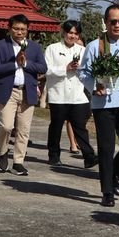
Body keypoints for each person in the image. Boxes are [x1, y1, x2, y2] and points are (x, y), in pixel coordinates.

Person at [78, 4, 119, 207]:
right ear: (106, 22)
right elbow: (83, 72)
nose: (117, 25)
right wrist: (93, 86)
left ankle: (114, 174)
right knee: (106, 148)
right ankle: (107, 191)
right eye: (113, 21)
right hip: (104, 103)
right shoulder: (94, 46)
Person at [0, 14, 48, 175]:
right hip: (8, 90)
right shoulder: (1, 46)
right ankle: (2, 153)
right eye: (16, 28)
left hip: (27, 91)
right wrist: (15, 63)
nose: (19, 32)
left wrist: (26, 64)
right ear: (9, 29)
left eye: (23, 29)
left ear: (27, 30)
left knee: (23, 129)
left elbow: (43, 68)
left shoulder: (34, 47)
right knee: (6, 125)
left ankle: (18, 161)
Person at [44, 20, 97, 169]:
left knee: (80, 127)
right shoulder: (52, 48)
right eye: (70, 32)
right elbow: (46, 70)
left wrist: (80, 69)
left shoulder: (83, 50)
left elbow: (90, 70)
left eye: (75, 33)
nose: (72, 36)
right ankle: (53, 155)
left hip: (77, 95)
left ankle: (89, 156)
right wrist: (65, 68)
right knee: (56, 126)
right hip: (58, 95)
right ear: (63, 32)